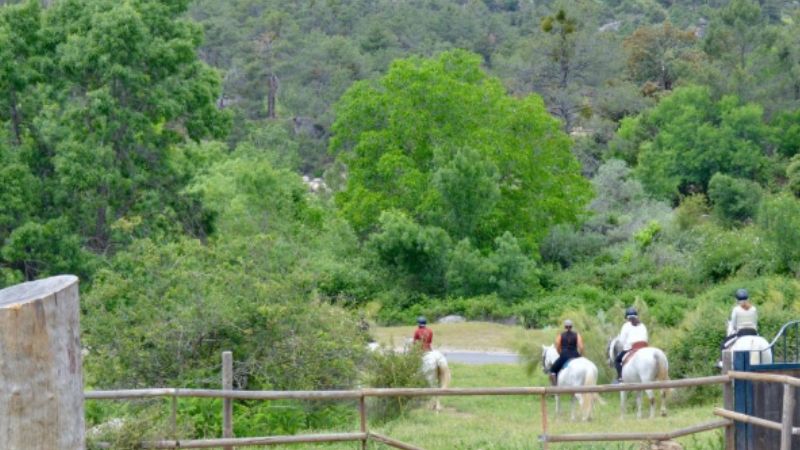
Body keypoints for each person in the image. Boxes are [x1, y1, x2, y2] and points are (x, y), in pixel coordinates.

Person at [614, 307, 649, 382]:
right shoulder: (643, 325)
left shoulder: (626, 325)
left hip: (631, 348)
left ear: (627, 317)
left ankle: (620, 377)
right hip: (644, 348)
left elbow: (622, 341)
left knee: (617, 360)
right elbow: (646, 338)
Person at [549, 319, 584, 385]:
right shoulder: (577, 335)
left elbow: (557, 346)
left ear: (565, 326)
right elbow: (581, 347)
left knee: (552, 370)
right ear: (572, 326)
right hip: (575, 355)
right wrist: (580, 355)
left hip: (564, 356)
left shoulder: (561, 335)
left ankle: (555, 388)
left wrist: (560, 353)